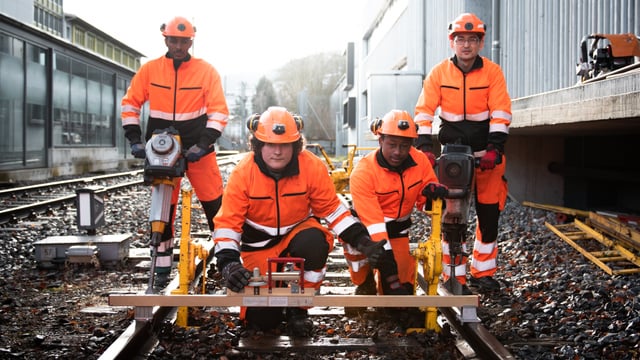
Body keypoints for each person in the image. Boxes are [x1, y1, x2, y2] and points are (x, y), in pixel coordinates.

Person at [212, 106, 393, 336]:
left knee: (315, 242)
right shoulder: (243, 173)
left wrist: (363, 242)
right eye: (270, 144)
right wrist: (228, 263)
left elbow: (332, 210)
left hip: (298, 232)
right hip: (258, 243)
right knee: (263, 322)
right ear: (258, 146)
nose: (277, 152)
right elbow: (228, 222)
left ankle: (299, 307)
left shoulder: (311, 167)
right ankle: (275, 304)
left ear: (295, 146)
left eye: (284, 145)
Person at [121, 16, 229, 288]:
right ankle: (161, 267)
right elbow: (130, 104)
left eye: (184, 41)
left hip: (198, 151)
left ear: (191, 41)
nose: (179, 46)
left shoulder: (206, 71)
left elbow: (218, 111)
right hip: (162, 152)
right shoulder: (150, 70)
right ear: (165, 39)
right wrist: (135, 140)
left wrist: (203, 144)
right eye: (174, 40)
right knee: (162, 211)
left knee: (216, 206)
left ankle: (227, 260)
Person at [414, 12, 511, 292]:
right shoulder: (439, 73)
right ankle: (453, 275)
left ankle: (484, 273)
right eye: (460, 39)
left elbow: (501, 112)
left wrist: (494, 149)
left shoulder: (493, 72)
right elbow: (424, 111)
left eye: (472, 39)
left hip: (487, 154)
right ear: (451, 42)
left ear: (481, 43)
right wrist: (425, 148)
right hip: (453, 155)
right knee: (453, 215)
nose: (466, 45)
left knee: (489, 213)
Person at [346, 110, 449, 302]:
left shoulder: (420, 162)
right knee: (365, 263)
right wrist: (388, 269)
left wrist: (432, 197)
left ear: (412, 144)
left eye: (404, 146)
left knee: (400, 295)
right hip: (365, 234)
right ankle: (363, 282)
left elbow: (424, 203)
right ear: (380, 140)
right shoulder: (364, 172)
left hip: (397, 232)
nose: (397, 152)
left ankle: (388, 286)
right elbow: (374, 224)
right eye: (392, 144)